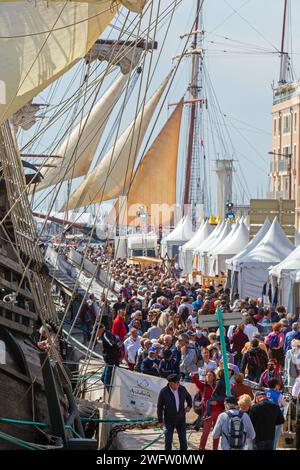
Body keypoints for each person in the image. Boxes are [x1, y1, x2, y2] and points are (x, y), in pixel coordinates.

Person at [157, 374, 192, 451]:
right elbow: (159, 407)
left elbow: (189, 397)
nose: (178, 384)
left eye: (179, 382)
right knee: (168, 440)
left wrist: (189, 406)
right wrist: (160, 421)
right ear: (171, 383)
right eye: (177, 383)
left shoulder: (182, 389)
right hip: (169, 420)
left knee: (183, 440)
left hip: (181, 419)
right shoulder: (164, 392)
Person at [190, 370, 223, 449]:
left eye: (210, 375)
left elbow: (222, 398)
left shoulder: (217, 386)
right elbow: (196, 382)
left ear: (214, 377)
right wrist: (193, 376)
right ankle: (201, 448)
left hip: (218, 412)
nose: (208, 376)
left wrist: (217, 403)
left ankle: (215, 448)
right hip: (208, 413)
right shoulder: (203, 386)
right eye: (207, 375)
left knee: (216, 433)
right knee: (205, 432)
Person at [97, 324, 121, 390]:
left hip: (112, 360)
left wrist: (116, 345)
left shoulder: (105, 335)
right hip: (108, 361)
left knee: (107, 381)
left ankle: (111, 397)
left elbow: (111, 344)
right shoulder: (104, 335)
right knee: (102, 379)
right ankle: (110, 394)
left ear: (101, 329)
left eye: (97, 331)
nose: (96, 333)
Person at [264, 378, 286, 450]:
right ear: (276, 385)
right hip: (275, 419)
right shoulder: (278, 395)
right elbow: (285, 404)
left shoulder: (264, 393)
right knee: (275, 437)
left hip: (265, 418)